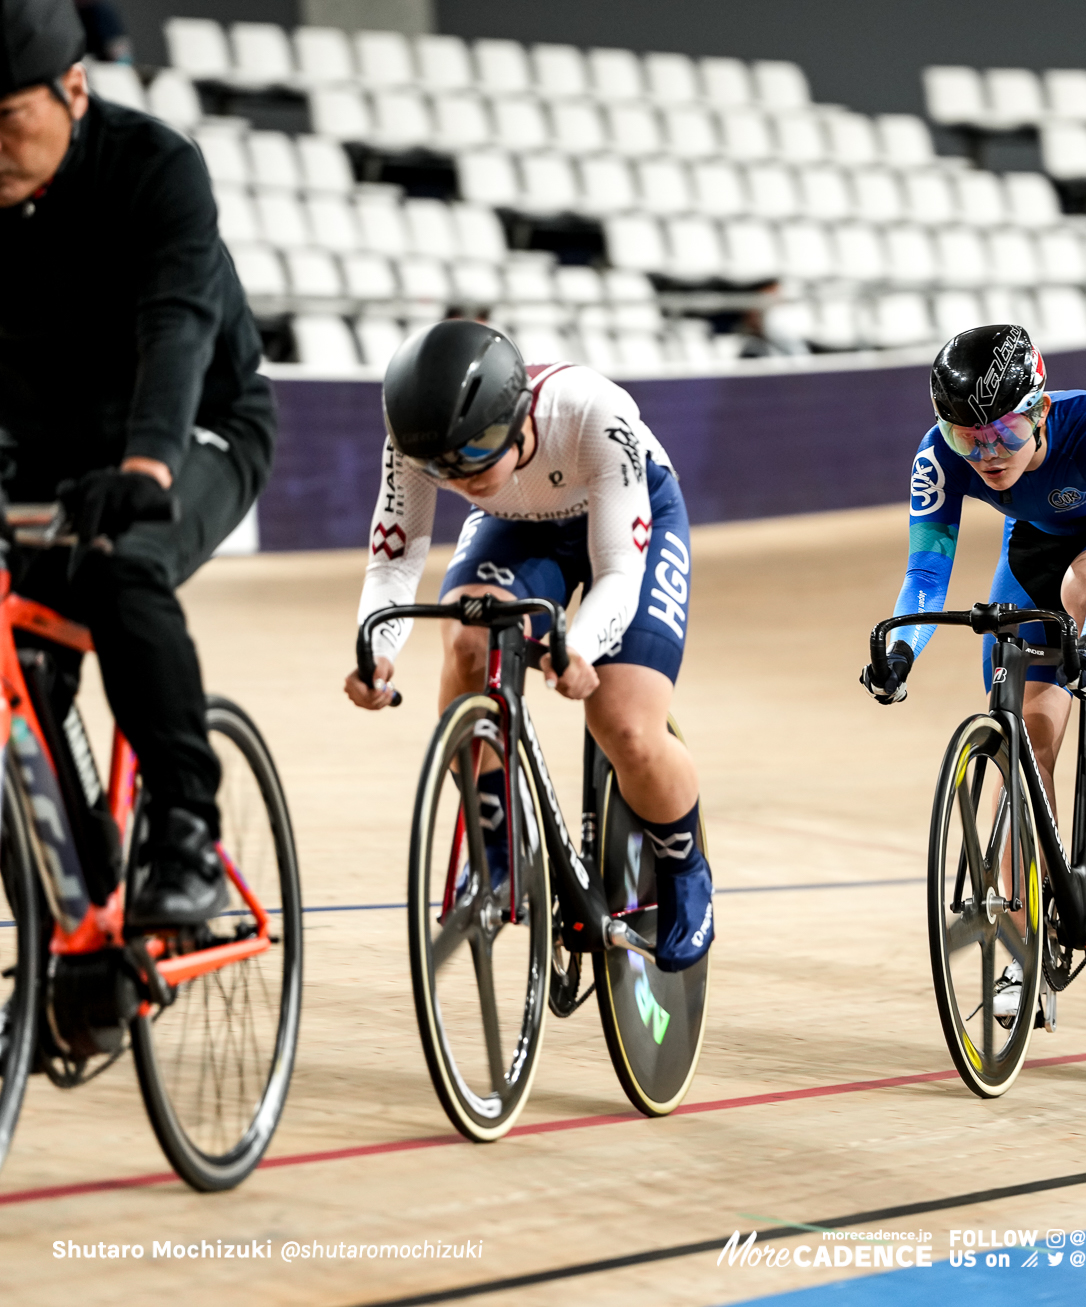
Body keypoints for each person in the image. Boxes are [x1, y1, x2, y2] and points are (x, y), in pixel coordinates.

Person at [0, 0, 276, 929]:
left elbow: (177, 331)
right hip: (50, 453)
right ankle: (76, 911)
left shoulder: (156, 169)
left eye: (7, 121)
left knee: (125, 566)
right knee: (19, 655)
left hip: (197, 425)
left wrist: (151, 464)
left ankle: (188, 835)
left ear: (73, 88)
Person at [343, 321, 712, 971]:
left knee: (623, 721)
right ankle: (499, 850)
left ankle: (685, 867)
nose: (462, 475)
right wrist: (377, 649)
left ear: (517, 420)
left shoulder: (595, 413)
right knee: (464, 638)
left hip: (632, 513)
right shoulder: (419, 438)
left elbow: (619, 570)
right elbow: (395, 564)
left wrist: (581, 647)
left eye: (478, 450)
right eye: (442, 467)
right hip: (518, 524)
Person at [862, 324, 1086, 843]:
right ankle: (1031, 913)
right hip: (1037, 541)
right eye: (967, 438)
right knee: (1022, 748)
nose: (988, 454)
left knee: (1083, 590)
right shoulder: (936, 457)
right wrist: (900, 655)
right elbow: (925, 574)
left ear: (1040, 412)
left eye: (1005, 434)